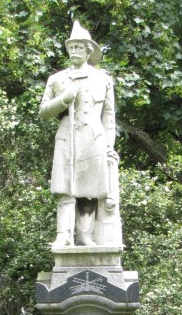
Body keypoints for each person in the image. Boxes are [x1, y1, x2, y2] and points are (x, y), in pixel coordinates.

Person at [39, 21, 122, 248]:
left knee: (89, 191)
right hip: (67, 137)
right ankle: (63, 235)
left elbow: (109, 118)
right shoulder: (57, 80)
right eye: (71, 47)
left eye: (79, 47)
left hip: (93, 139)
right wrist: (64, 99)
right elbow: (43, 111)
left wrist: (108, 146)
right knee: (64, 189)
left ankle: (85, 236)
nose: (74, 51)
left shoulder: (103, 79)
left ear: (88, 50)